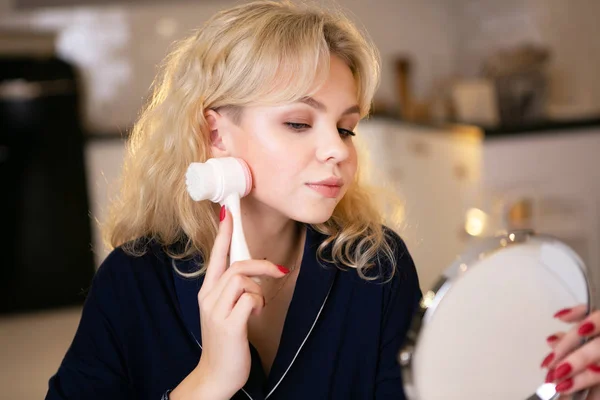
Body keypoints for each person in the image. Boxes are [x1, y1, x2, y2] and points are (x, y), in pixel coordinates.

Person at [44, 1, 600, 399]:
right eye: (297, 122)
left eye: (348, 127)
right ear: (215, 133)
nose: (336, 150)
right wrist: (210, 380)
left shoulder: (375, 267)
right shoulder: (132, 281)